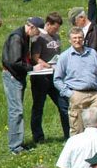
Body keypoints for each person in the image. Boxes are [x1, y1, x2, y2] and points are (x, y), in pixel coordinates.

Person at [0, 17, 45, 154]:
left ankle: (18, 143)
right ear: (31, 27)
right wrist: (32, 69)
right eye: (37, 31)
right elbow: (15, 62)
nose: (37, 35)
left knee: (17, 110)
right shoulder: (17, 38)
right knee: (16, 111)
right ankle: (15, 146)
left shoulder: (24, 36)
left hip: (18, 77)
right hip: (12, 77)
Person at [53, 26, 97, 134]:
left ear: (83, 38)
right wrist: (70, 94)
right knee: (77, 129)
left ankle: (96, 150)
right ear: (70, 40)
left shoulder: (92, 53)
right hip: (77, 95)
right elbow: (57, 79)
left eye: (80, 38)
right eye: (75, 38)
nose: (78, 40)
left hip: (94, 95)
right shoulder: (65, 57)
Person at [29, 12, 70, 143]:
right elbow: (35, 57)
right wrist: (47, 65)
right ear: (48, 24)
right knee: (38, 107)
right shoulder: (39, 38)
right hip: (41, 77)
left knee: (63, 104)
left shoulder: (57, 37)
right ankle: (38, 137)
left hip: (55, 76)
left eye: (58, 28)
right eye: (55, 27)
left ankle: (68, 134)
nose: (57, 30)